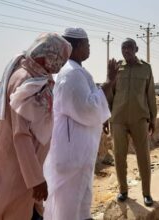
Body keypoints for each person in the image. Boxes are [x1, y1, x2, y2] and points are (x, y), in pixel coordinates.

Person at [0, 33, 72, 220]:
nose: (60, 66)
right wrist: (36, 180)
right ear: (46, 57)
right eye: (60, 60)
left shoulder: (37, 75)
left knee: (11, 205)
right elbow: (21, 135)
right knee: (8, 207)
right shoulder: (26, 81)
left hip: (26, 164)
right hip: (19, 165)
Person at [43, 28, 117, 220]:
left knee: (79, 204)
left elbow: (91, 103)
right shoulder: (70, 74)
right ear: (76, 46)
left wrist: (103, 115)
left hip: (78, 152)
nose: (89, 47)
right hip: (72, 154)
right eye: (87, 44)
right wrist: (109, 82)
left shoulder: (76, 71)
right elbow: (87, 109)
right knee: (68, 208)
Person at [105, 38, 157, 207]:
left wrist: (153, 118)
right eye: (123, 47)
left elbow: (150, 95)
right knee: (119, 156)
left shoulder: (146, 68)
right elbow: (109, 93)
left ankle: (147, 193)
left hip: (139, 118)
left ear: (136, 49)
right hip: (118, 118)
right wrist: (106, 116)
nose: (126, 50)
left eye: (129, 47)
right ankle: (123, 190)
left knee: (143, 156)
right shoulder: (116, 68)